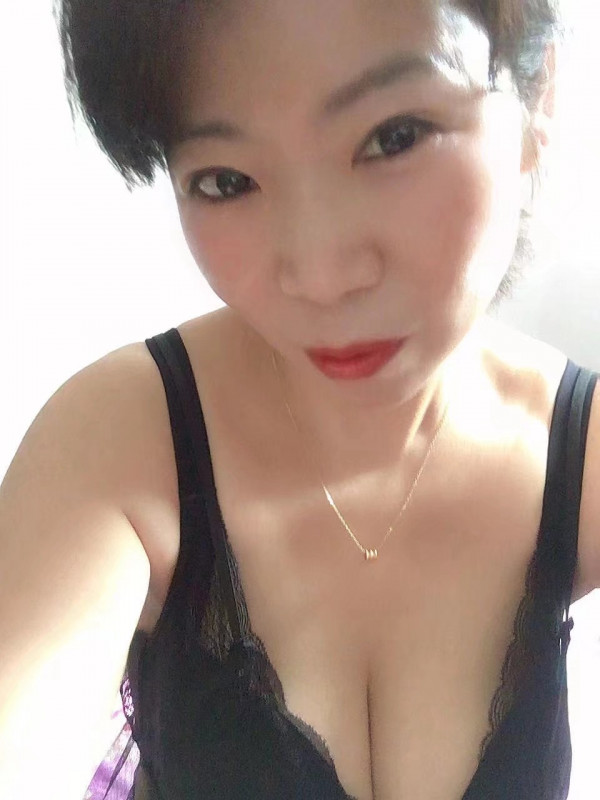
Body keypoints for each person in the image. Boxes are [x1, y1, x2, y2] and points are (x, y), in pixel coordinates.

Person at [1, 1, 599, 799]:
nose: (321, 276)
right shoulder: (122, 440)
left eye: (396, 136)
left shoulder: (580, 449)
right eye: (227, 181)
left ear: (538, 101)